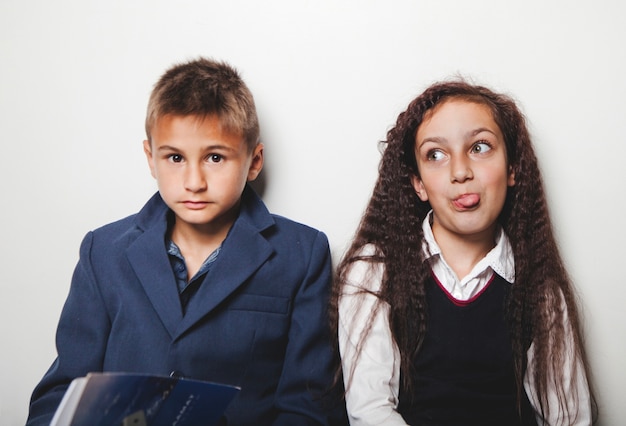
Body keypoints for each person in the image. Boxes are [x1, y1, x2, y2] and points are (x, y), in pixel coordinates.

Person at [28, 58, 341, 425]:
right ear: (150, 158)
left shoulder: (301, 254)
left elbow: (308, 408)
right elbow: (62, 391)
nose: (194, 181)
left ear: (254, 161)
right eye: (175, 157)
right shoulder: (104, 251)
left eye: (214, 157)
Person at [332, 80, 597, 426]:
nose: (460, 172)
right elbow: (370, 411)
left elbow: (569, 418)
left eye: (480, 147)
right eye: (436, 155)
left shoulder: (539, 291)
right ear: (418, 183)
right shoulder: (375, 272)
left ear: (513, 169)